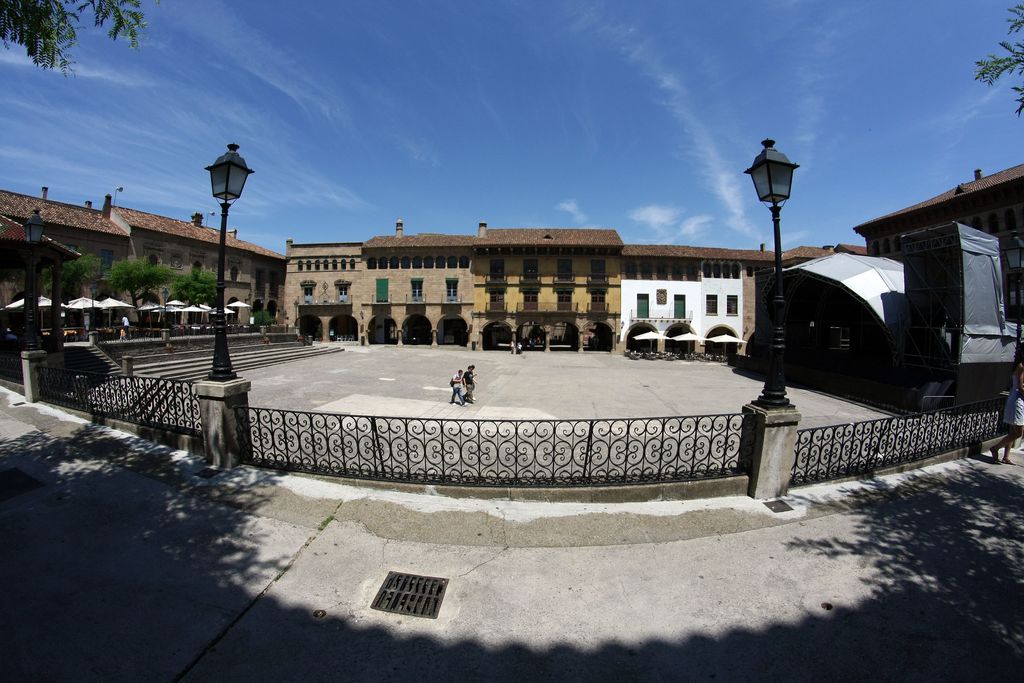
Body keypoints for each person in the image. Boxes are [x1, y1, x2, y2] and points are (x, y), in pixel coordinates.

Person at [992, 346, 1024, 464]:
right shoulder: (1021, 366)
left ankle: (1006, 456)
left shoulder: (1020, 366)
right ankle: (995, 448)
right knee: (1019, 432)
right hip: (1018, 400)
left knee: (1012, 431)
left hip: (1017, 399)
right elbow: (1020, 387)